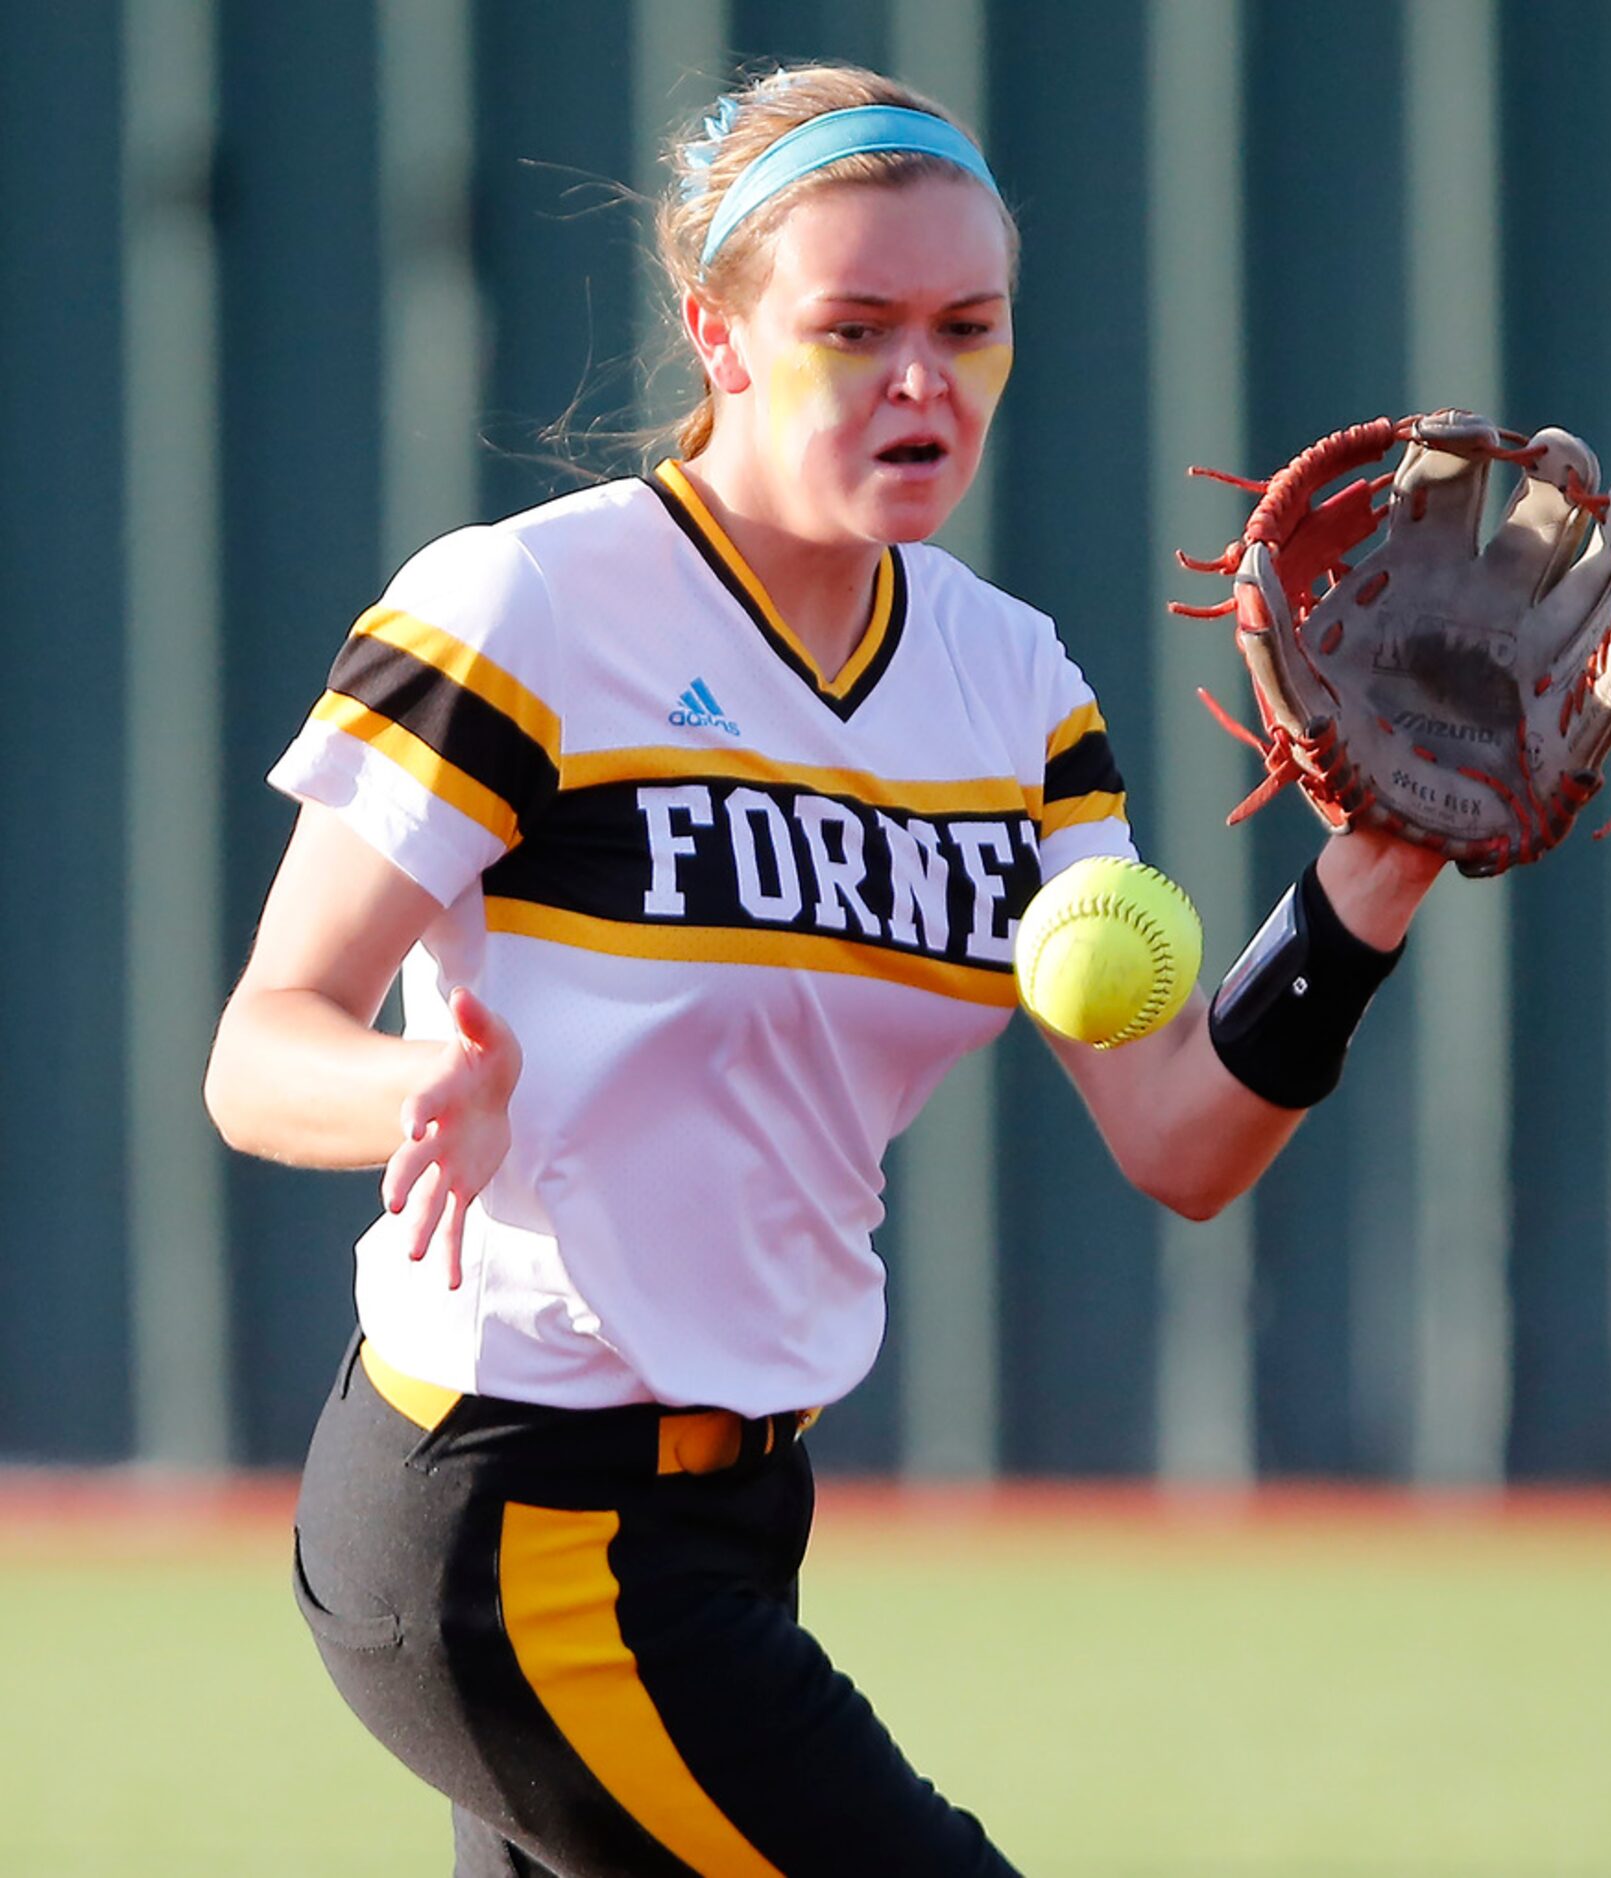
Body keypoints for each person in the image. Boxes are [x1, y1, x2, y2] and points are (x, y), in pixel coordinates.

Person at [204, 60, 1441, 1878]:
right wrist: (415, 1089)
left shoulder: (1013, 686)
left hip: (733, 1513)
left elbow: (1181, 1137)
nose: (922, 377)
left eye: (968, 324)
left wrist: (1365, 888)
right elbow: (259, 1047)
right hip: (516, 1511)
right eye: (854, 326)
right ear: (720, 334)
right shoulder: (528, 607)